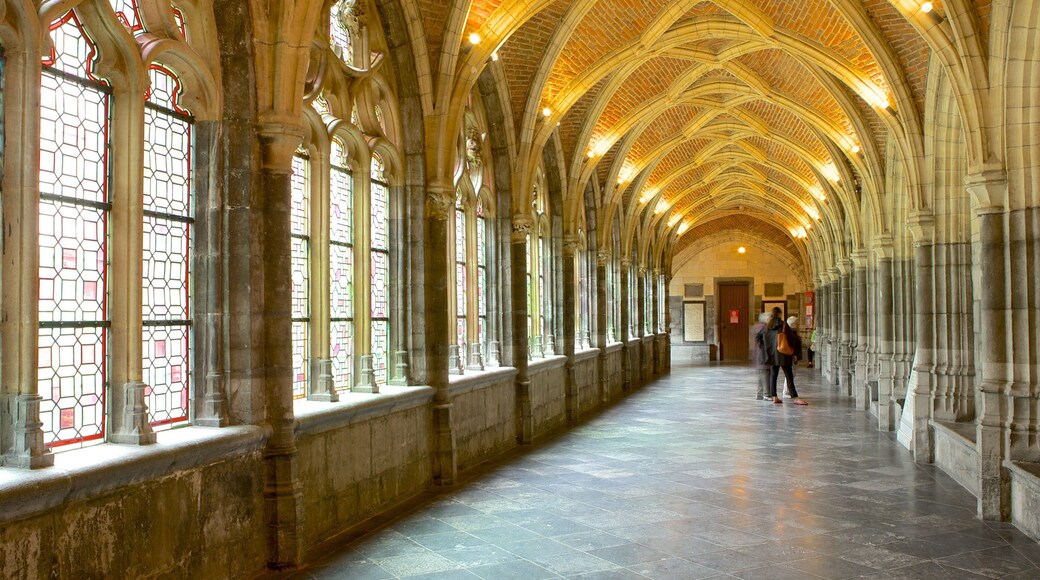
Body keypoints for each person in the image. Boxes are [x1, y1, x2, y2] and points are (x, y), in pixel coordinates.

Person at [756, 307, 808, 405]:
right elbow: (791, 338)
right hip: (783, 354)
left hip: (771, 355)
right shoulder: (783, 324)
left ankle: (774, 396)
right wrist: (795, 352)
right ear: (779, 314)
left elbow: (758, 338)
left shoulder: (767, 326)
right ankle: (795, 398)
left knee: (773, 375)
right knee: (789, 376)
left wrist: (766, 347)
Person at [750, 312, 771, 400]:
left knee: (760, 375)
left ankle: (759, 394)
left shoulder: (756, 327)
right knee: (766, 374)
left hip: (758, 355)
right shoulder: (764, 328)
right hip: (763, 355)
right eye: (769, 318)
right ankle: (766, 394)